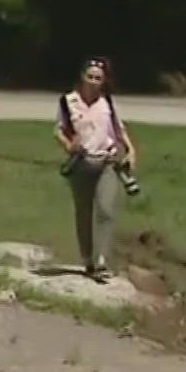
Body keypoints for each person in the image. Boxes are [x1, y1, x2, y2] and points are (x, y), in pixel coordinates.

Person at [55, 57, 140, 282]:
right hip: (82, 163)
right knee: (84, 212)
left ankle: (102, 260)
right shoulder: (68, 101)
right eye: (90, 77)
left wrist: (130, 151)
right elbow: (59, 130)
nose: (93, 82)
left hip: (107, 162)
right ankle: (87, 260)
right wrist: (68, 145)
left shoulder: (108, 103)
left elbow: (119, 130)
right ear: (82, 77)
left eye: (98, 78)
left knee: (106, 210)